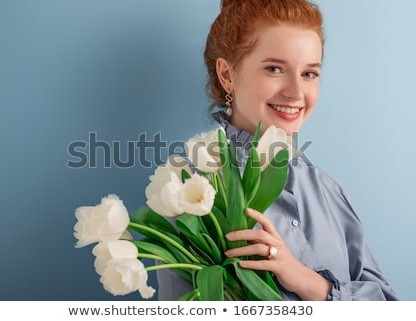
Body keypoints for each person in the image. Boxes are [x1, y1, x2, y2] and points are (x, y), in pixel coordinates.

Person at [156, 0, 398, 300]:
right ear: (227, 75)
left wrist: (308, 282)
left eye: (309, 73)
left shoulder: (326, 189)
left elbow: (389, 305)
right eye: (274, 69)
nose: (296, 93)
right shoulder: (192, 189)